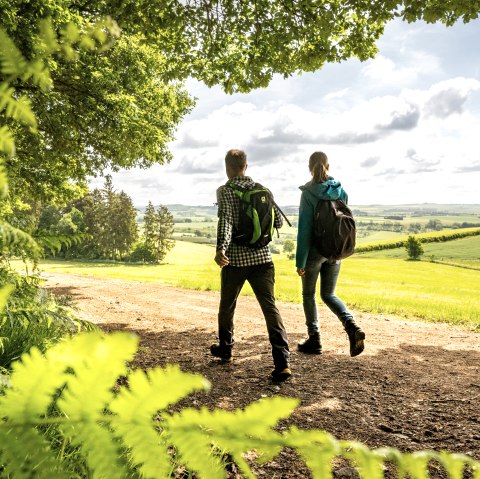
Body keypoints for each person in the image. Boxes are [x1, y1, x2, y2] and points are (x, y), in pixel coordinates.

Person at [211, 149, 291, 382]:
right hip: (263, 259)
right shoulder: (263, 190)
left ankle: (226, 350)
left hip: (235, 260)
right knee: (270, 309)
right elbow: (277, 221)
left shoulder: (225, 191)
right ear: (246, 166)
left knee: (227, 306)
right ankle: (282, 363)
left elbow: (225, 221)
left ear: (227, 168)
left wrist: (221, 249)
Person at [295, 151, 365, 357]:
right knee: (329, 294)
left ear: (309, 167)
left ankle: (314, 339)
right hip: (336, 250)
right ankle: (352, 327)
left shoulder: (308, 192)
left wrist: (301, 260)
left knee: (309, 294)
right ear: (328, 166)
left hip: (316, 252)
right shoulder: (340, 190)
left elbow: (305, 229)